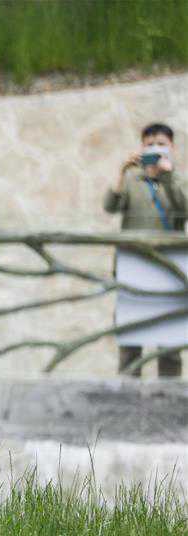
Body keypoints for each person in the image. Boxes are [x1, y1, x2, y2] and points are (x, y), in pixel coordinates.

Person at [104, 122, 186, 378]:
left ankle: (170, 399)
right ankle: (126, 397)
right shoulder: (131, 178)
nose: (155, 148)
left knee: (170, 343)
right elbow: (110, 206)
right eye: (149, 144)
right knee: (130, 339)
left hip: (169, 268)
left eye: (161, 143)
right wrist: (121, 173)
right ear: (141, 147)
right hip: (133, 265)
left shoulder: (178, 179)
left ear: (172, 147)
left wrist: (168, 175)